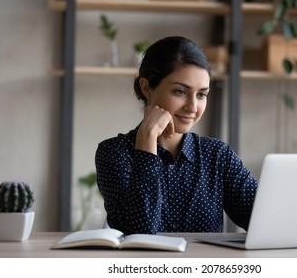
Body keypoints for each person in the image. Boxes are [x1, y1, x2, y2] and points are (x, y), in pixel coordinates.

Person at [95, 36, 257, 235]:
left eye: (201, 95)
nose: (192, 107)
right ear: (147, 87)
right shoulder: (114, 153)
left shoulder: (217, 155)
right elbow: (140, 233)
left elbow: (265, 222)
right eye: (180, 92)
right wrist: (147, 140)